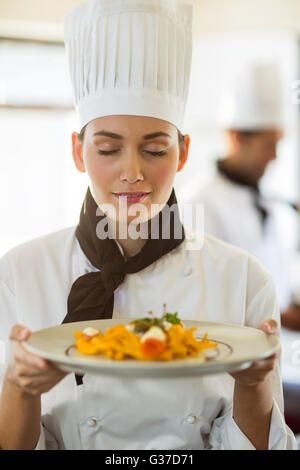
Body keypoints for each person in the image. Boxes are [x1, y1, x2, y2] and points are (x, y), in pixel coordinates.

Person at [0, 0, 296, 450]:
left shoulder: (244, 278)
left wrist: (252, 386)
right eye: (107, 148)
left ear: (184, 151)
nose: (132, 172)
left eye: (155, 150)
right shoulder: (20, 273)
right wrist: (20, 390)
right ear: (78, 153)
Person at [187, 63, 300, 330]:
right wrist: (281, 316)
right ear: (237, 138)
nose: (274, 156)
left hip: (273, 354)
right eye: (268, 145)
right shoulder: (198, 204)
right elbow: (204, 296)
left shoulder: (268, 200)